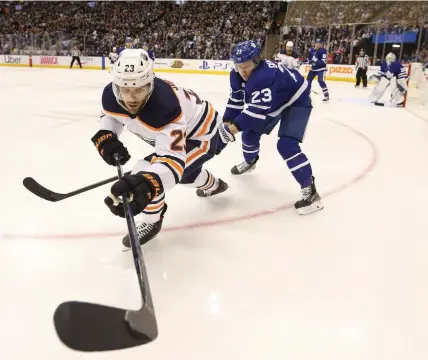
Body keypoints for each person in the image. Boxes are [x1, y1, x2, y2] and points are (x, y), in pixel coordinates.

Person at [91, 49, 230, 248]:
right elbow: (111, 116)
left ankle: (151, 221)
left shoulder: (165, 107)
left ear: (150, 83)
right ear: (116, 86)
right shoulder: (111, 96)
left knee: (145, 172)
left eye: (138, 89)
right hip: (189, 130)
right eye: (125, 89)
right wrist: (107, 135)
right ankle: (214, 185)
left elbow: (172, 161)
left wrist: (147, 185)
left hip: (201, 137)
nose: (131, 98)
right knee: (188, 176)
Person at [222, 40, 323, 215]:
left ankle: (310, 190)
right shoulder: (236, 74)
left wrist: (229, 131)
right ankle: (251, 161)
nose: (243, 71)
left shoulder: (265, 76)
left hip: (297, 99)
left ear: (256, 61)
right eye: (239, 66)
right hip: (277, 97)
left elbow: (254, 112)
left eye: (247, 66)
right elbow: (235, 101)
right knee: (249, 133)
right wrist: (225, 123)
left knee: (286, 145)